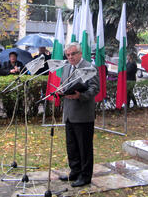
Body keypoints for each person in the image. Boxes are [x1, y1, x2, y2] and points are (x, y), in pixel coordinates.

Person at [58, 42, 99, 187]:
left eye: (73, 54)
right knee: (72, 146)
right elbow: (64, 84)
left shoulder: (89, 67)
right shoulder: (67, 67)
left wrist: (80, 96)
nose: (70, 57)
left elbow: (95, 88)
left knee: (84, 148)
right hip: (69, 113)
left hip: (83, 115)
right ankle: (74, 172)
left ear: (80, 53)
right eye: (68, 55)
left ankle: (85, 176)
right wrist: (60, 90)